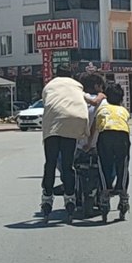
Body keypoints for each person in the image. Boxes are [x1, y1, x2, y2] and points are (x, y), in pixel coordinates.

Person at [40, 64, 90, 219]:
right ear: (71, 75)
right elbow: (86, 100)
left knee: (50, 162)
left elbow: (47, 103)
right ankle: (70, 195)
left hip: (53, 126)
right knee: (68, 164)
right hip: (74, 120)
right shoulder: (77, 85)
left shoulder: (49, 85)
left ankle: (47, 196)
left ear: (57, 74)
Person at [95, 83, 132, 216]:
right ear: (121, 99)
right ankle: (122, 192)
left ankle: (105, 191)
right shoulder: (123, 110)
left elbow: (96, 128)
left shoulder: (101, 109)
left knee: (104, 166)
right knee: (123, 165)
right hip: (122, 135)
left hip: (105, 135)